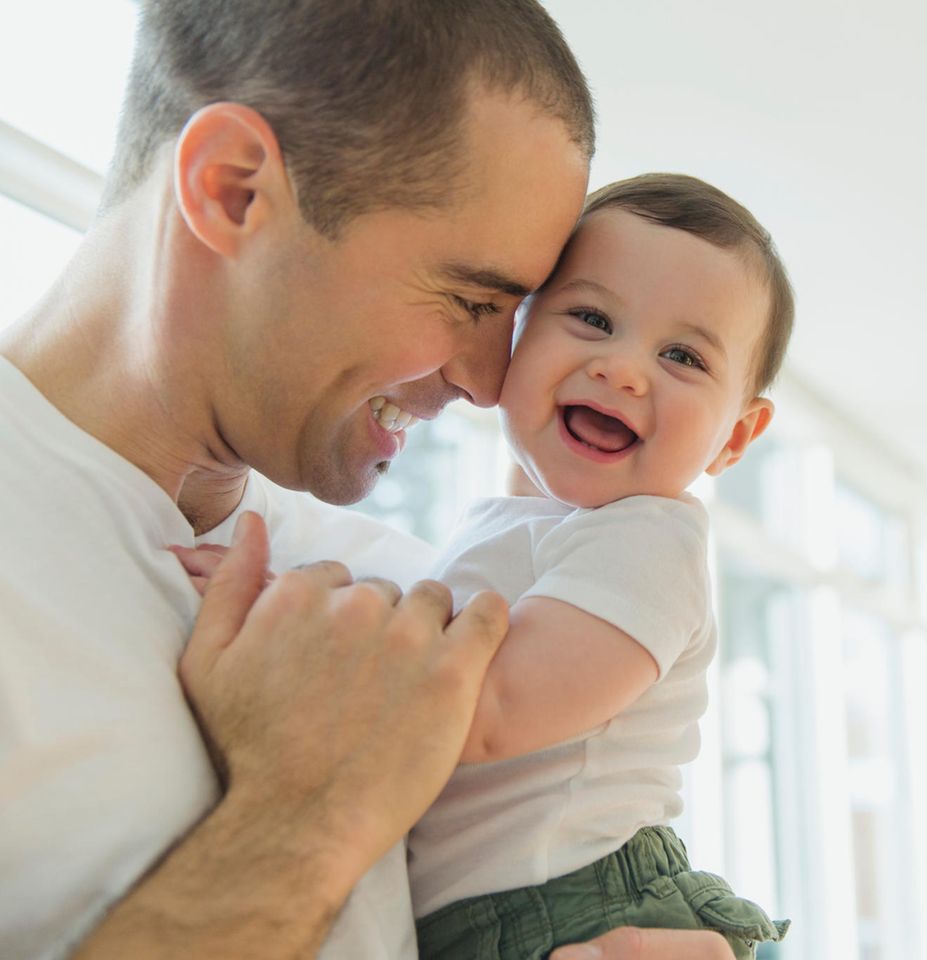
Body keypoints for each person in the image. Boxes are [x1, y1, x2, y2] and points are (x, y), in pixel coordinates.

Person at [0, 1, 731, 958]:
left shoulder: (413, 600)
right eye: (469, 298)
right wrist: (309, 815)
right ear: (232, 191)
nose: (489, 382)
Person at [398, 173, 795, 960]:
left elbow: (492, 710)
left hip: (574, 906)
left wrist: (292, 621)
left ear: (735, 438)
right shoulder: (516, 527)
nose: (622, 369)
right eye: (591, 318)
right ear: (516, 333)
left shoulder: (649, 539)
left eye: (682, 356)